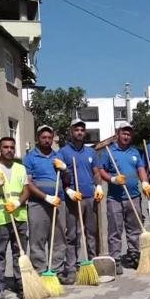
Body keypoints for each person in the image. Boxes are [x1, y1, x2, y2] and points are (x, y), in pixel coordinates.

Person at [99, 121, 150, 272]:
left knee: (134, 229)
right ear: (118, 134)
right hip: (115, 199)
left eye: (129, 133)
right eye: (124, 133)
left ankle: (134, 255)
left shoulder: (135, 152)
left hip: (134, 197)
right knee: (115, 231)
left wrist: (145, 183)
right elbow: (101, 170)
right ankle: (115, 260)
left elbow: (141, 168)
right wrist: (112, 179)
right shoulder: (108, 151)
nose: (126, 136)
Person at [0, 137, 30, 299]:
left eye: (11, 147)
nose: (9, 150)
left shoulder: (20, 168)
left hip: (19, 216)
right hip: (1, 218)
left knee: (20, 252)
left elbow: (26, 190)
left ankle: (21, 283)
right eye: (5, 147)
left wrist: (18, 202)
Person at [58, 119, 105, 282]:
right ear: (71, 132)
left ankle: (92, 264)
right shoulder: (63, 152)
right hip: (73, 200)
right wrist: (68, 190)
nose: (79, 132)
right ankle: (71, 269)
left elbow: (96, 173)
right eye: (76, 130)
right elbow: (60, 175)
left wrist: (99, 186)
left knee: (91, 233)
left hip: (90, 198)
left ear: (85, 133)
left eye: (82, 130)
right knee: (73, 235)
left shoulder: (91, 152)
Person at [24, 125, 67, 280]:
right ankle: (41, 271)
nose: (47, 140)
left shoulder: (58, 156)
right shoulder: (30, 158)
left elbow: (66, 180)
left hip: (58, 202)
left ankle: (57, 270)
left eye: (49, 137)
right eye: (44, 137)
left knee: (58, 238)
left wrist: (65, 169)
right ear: (38, 138)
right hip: (38, 204)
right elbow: (28, 184)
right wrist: (45, 197)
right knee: (37, 239)